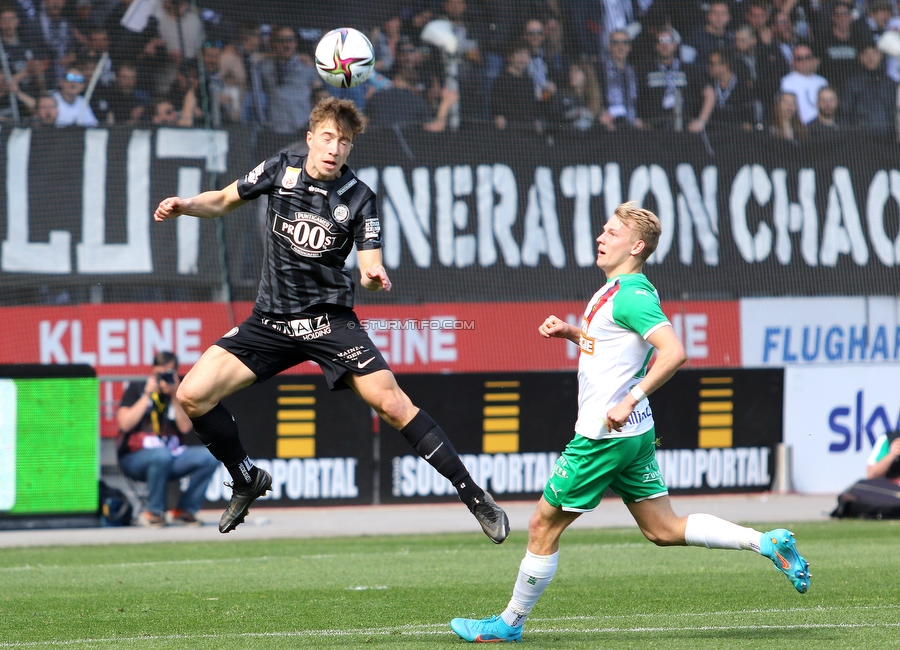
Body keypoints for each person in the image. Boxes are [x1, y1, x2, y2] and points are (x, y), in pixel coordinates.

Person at [449, 202, 811, 643]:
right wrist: (571, 334)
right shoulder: (618, 289)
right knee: (662, 529)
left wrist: (630, 397)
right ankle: (764, 542)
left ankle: (509, 624)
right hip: (634, 433)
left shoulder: (630, 295)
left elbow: (674, 352)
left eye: (612, 233)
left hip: (605, 433)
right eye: (602, 230)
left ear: (636, 246)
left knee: (543, 524)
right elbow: (613, 345)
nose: (601, 238)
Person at [152, 96, 509, 543]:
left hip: (328, 322)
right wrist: (186, 204)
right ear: (310, 139)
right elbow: (223, 200)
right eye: (327, 137)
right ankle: (245, 478)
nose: (334, 148)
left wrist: (374, 277)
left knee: (393, 404)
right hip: (271, 320)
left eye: (344, 141)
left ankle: (475, 497)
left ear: (350, 148)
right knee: (191, 396)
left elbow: (369, 265)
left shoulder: (360, 197)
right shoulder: (281, 168)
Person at [117, 350, 218, 527]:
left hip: (170, 455)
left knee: (210, 457)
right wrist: (147, 396)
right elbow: (124, 424)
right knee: (160, 455)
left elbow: (185, 427)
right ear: (152, 371)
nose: (163, 377)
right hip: (136, 457)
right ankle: (155, 512)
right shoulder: (137, 388)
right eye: (160, 373)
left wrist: (174, 395)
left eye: (168, 373)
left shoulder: (180, 394)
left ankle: (184, 511)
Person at [637, 27, 699, 131]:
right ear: (656, 46)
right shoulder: (645, 70)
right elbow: (636, 96)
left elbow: (709, 93)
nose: (664, 45)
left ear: (675, 45)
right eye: (660, 41)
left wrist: (700, 120)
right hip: (654, 130)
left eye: (668, 41)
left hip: (685, 129)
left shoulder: (688, 69)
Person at [841, 43, 897, 135]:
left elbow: (894, 110)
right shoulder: (852, 83)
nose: (871, 58)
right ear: (860, 57)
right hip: (861, 138)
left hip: (887, 137)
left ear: (880, 56)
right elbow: (845, 112)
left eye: (874, 54)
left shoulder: (890, 83)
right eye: (866, 54)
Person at [597, 29, 643, 131]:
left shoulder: (635, 71)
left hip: (633, 128)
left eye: (625, 43)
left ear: (629, 47)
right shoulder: (600, 69)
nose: (621, 46)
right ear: (609, 46)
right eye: (616, 43)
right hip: (610, 128)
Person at [779, 43, 828, 124]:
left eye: (807, 57)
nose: (804, 61)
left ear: (813, 59)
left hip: (821, 128)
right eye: (799, 58)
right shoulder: (786, 82)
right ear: (793, 61)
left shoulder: (822, 81)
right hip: (799, 129)